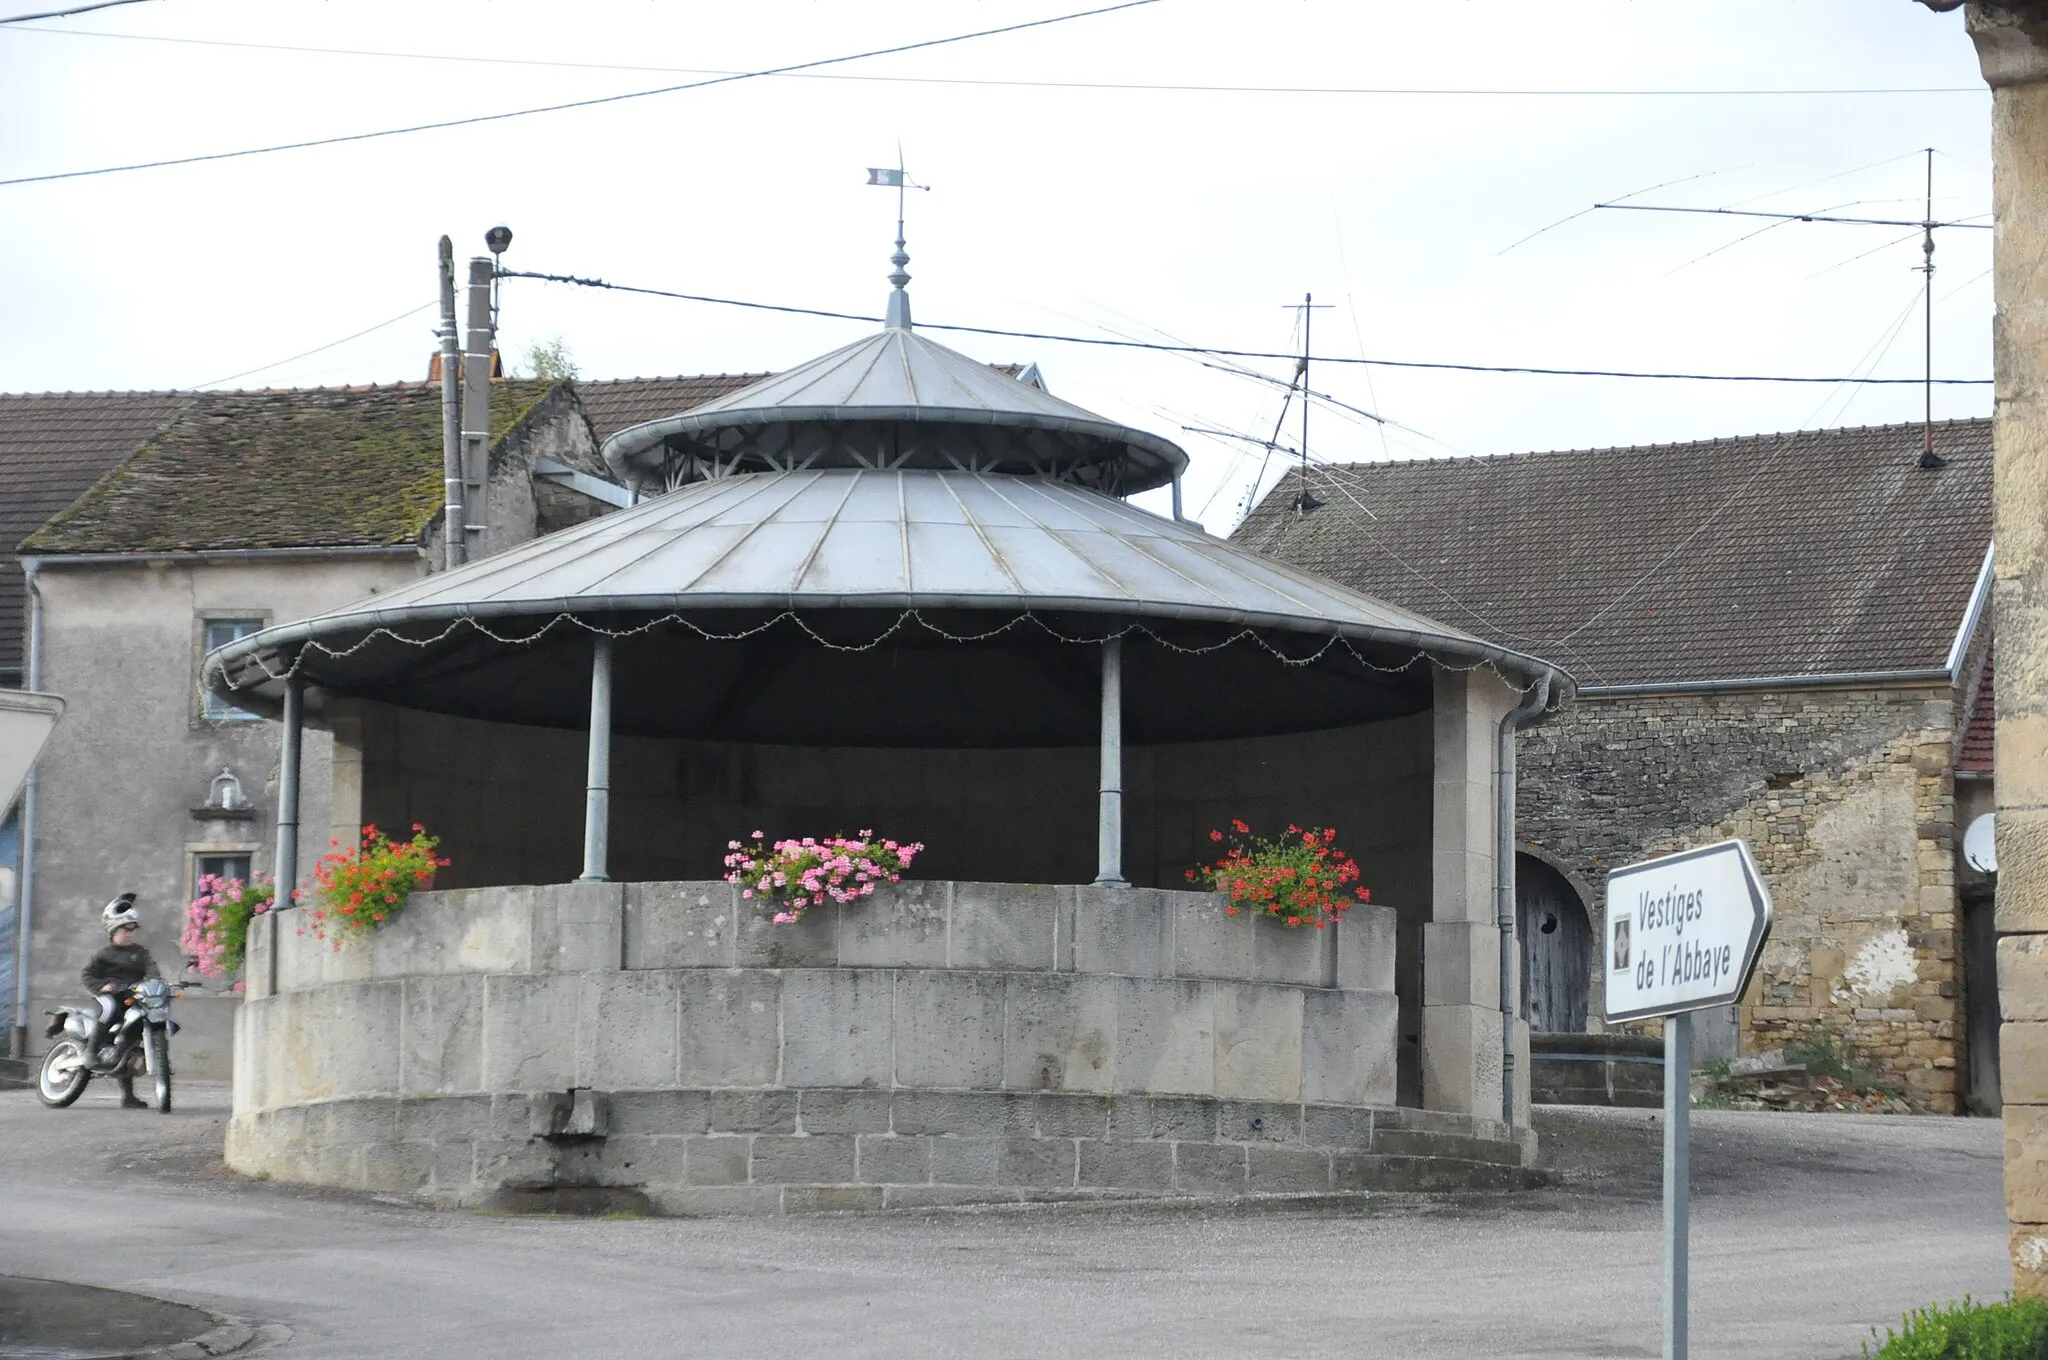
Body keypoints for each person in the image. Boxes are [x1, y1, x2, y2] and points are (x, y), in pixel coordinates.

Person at [79, 893, 161, 1109]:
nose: (129, 934)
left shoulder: (140, 953)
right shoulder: (104, 954)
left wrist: (155, 982)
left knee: (130, 1041)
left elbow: (152, 969)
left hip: (131, 996)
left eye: (132, 929)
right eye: (125, 929)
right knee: (110, 1008)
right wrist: (101, 987)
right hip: (108, 995)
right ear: (113, 931)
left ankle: (128, 1096)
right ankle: (91, 1052)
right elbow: (87, 975)